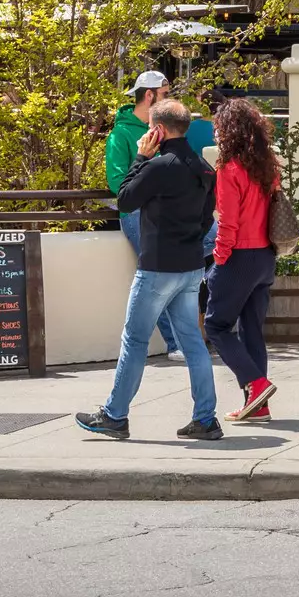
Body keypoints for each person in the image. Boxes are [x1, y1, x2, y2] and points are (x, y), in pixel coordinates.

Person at [76, 99, 222, 442]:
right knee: (193, 343)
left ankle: (114, 415)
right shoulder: (203, 168)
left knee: (135, 339)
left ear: (156, 130)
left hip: (157, 267)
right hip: (189, 267)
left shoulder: (159, 166)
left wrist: (140, 157)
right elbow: (205, 220)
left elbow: (125, 200)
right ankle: (206, 418)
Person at [202, 97, 279, 422]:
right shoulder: (267, 165)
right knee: (251, 331)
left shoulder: (229, 169)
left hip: (239, 257)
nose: (216, 134)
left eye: (219, 128)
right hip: (265, 257)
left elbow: (229, 223)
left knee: (216, 325)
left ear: (229, 131)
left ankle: (257, 383)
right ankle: (257, 405)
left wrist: (218, 259)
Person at [106, 70, 178, 352]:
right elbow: (116, 182)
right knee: (157, 277)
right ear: (149, 96)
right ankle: (176, 344)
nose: (169, 100)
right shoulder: (120, 134)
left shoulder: (164, 130)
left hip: (166, 212)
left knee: (207, 243)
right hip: (137, 214)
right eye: (164, 95)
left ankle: (183, 341)